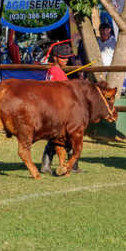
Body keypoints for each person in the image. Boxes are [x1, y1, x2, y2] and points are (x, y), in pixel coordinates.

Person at [41, 43, 81, 174]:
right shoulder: (57, 72)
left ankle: (47, 165)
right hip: (57, 110)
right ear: (55, 57)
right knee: (66, 137)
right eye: (63, 57)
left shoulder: (52, 70)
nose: (66, 60)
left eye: (67, 57)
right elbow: (68, 89)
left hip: (53, 108)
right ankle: (72, 166)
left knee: (56, 138)